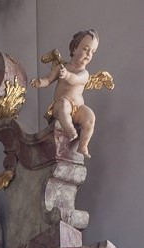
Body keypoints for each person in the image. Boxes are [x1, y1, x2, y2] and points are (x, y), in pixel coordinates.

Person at [31, 29, 99, 157]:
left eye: (93, 52)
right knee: (63, 105)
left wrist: (67, 75)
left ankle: (83, 146)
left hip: (78, 109)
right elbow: (49, 79)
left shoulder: (84, 73)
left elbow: (75, 79)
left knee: (90, 116)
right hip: (61, 105)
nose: (89, 54)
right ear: (74, 49)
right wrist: (40, 82)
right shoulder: (61, 67)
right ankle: (70, 130)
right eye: (86, 49)